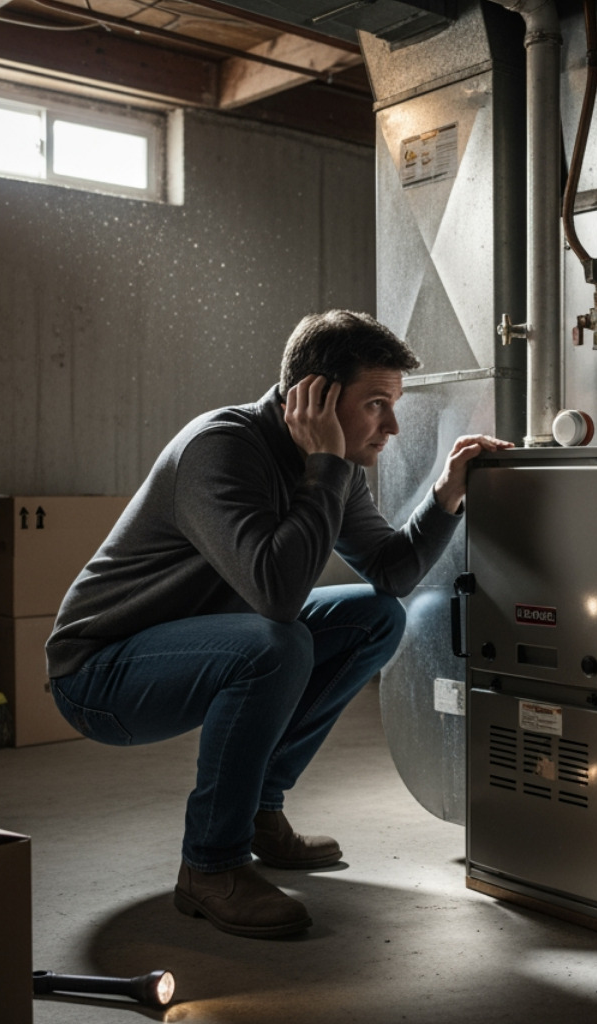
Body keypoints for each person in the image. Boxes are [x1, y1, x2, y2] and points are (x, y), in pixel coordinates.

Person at [44, 309, 510, 939]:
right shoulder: (221, 448)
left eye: (393, 406)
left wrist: (446, 493)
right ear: (314, 396)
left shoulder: (331, 466)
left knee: (375, 618)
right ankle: (210, 865)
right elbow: (277, 596)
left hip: (209, 641)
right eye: (376, 404)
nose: (392, 427)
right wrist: (327, 467)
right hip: (101, 673)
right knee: (276, 642)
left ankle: (260, 810)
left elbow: (391, 573)